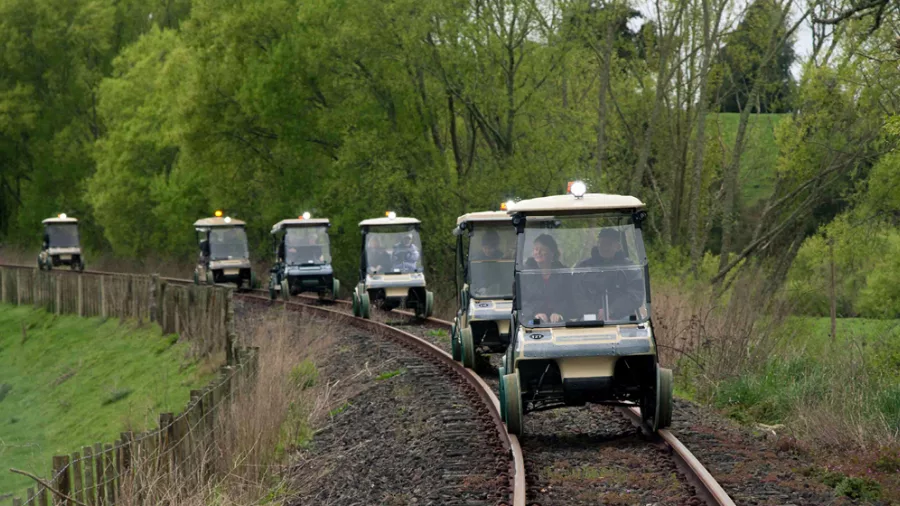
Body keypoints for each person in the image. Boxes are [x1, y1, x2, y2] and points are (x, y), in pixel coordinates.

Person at [576, 228, 643, 322]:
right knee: (582, 324)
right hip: (592, 315)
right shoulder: (584, 267)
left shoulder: (629, 268)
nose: (605, 247)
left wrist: (611, 310)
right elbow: (577, 294)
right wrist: (595, 311)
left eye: (609, 244)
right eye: (601, 243)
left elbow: (635, 295)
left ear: (618, 246)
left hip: (620, 315)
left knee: (632, 324)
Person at [523, 234, 568, 323]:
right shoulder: (525, 273)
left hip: (559, 319)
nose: (538, 252)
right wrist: (535, 313)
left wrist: (559, 312)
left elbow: (568, 297)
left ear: (552, 252)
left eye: (542, 249)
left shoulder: (563, 273)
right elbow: (521, 300)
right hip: (532, 318)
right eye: (536, 249)